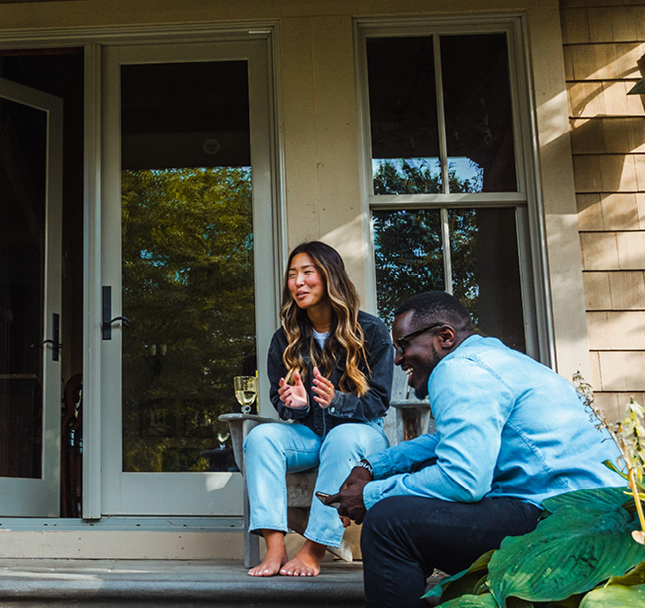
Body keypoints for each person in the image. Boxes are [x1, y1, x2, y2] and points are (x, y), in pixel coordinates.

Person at [324, 291, 623, 608]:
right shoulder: (493, 360)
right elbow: (447, 442)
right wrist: (373, 466)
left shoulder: (458, 370)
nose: (398, 359)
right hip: (599, 517)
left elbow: (463, 480)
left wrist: (370, 495)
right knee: (410, 498)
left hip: (571, 525)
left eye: (403, 344)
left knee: (390, 522)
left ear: (445, 337)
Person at [245, 241, 393, 577]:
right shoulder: (285, 338)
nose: (297, 282)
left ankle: (314, 549)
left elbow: (378, 400)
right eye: (292, 275)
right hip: (310, 436)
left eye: (307, 272)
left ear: (329, 276)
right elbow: (279, 400)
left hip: (362, 437)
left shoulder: (371, 331)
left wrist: (336, 400)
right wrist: (296, 405)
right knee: (261, 438)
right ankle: (275, 548)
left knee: (341, 438)